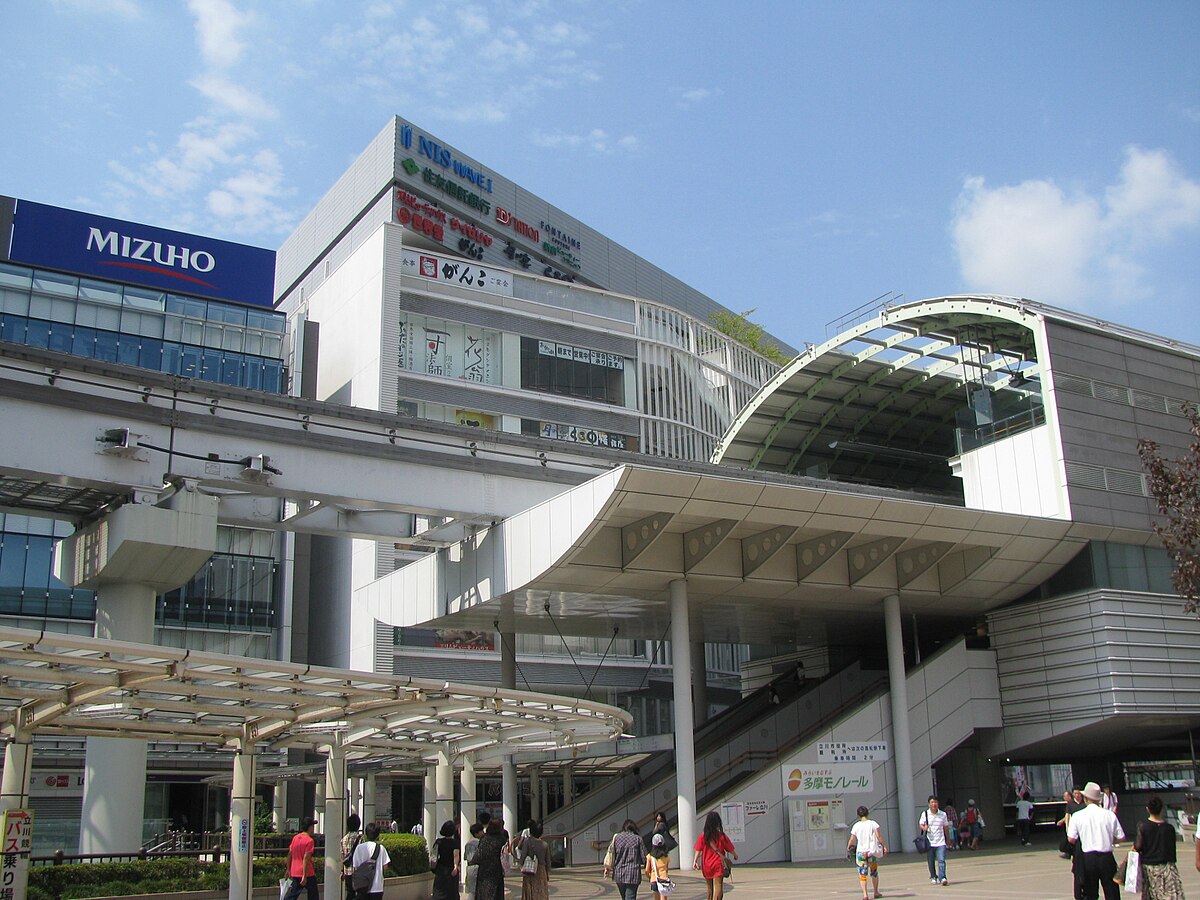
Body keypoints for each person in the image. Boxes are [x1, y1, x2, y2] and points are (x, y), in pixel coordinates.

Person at [1067, 781, 1125, 900]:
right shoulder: (1109, 815)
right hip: (1106, 857)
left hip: (1088, 858)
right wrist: (1109, 839)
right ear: (1099, 799)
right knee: (1112, 892)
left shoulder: (1077, 815)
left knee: (1090, 893)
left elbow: (1071, 839)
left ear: (1085, 798)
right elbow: (1121, 837)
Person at [1135, 796, 1185, 899]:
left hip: (1150, 869)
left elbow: (1138, 846)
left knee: (1152, 895)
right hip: (1168, 868)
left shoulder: (1143, 827)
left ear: (1148, 809)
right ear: (1162, 809)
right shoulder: (1169, 828)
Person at [693, 810, 737, 900]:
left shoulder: (703, 837)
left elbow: (698, 850)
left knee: (709, 888)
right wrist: (735, 855)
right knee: (718, 885)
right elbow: (730, 849)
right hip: (718, 863)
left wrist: (695, 861)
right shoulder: (721, 836)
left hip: (706, 864)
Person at [846, 805, 886, 900]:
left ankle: (865, 894)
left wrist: (848, 847)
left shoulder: (856, 826)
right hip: (872, 852)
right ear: (867, 813)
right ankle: (876, 892)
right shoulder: (873, 824)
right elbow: (878, 836)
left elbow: (852, 839)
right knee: (874, 872)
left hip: (861, 853)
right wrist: (884, 846)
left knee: (862, 874)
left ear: (858, 815)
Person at [350, 821, 394, 900]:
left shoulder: (359, 848)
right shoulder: (381, 848)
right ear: (378, 835)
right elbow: (385, 867)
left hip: (362, 886)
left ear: (366, 834)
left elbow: (355, 866)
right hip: (377, 887)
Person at [605, 819, 644, 900]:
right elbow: (643, 857)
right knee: (630, 897)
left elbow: (611, 853)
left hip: (619, 873)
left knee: (624, 897)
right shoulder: (637, 839)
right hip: (633, 874)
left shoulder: (617, 838)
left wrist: (607, 868)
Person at [283, 816, 318, 900]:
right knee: (313, 895)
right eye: (312, 826)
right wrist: (304, 875)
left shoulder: (295, 838)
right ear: (310, 827)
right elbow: (306, 858)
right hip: (307, 873)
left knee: (293, 894)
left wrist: (288, 869)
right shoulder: (309, 840)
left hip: (295, 871)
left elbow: (290, 854)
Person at [473, 818, 508, 900]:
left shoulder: (484, 838)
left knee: (484, 892)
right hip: (496, 868)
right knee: (496, 892)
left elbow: (479, 855)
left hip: (484, 869)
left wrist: (472, 862)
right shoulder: (502, 839)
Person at [920, 795, 951, 886]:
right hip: (930, 842)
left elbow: (946, 827)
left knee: (941, 860)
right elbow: (921, 824)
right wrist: (925, 828)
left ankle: (943, 877)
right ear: (929, 804)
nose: (934, 804)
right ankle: (933, 876)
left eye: (935, 802)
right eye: (932, 802)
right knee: (931, 861)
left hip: (941, 841)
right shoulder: (925, 814)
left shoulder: (943, 814)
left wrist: (948, 839)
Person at [518, 819, 551, 900]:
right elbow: (548, 861)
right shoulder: (545, 844)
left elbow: (523, 855)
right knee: (541, 889)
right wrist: (547, 872)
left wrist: (521, 865)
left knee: (530, 888)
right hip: (541, 869)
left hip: (530, 869)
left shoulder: (527, 842)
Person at [431, 819, 461, 900]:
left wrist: (433, 867)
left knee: (439, 890)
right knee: (452, 891)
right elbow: (456, 855)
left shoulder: (438, 842)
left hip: (440, 869)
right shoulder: (455, 842)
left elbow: (434, 855)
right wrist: (455, 867)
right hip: (451, 869)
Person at [341, 813, 363, 900]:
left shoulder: (344, 839)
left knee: (350, 893)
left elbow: (342, 856)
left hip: (347, 871)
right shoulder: (360, 838)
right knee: (360, 893)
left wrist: (342, 871)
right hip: (357, 871)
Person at [645, 832, 673, 900]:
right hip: (664, 879)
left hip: (654, 879)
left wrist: (650, 877)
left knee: (656, 898)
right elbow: (666, 870)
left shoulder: (650, 856)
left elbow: (646, 871)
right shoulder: (666, 857)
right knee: (664, 896)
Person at [464, 822, 483, 897]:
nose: (483, 832)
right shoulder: (476, 843)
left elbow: (466, 857)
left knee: (473, 892)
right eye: (481, 831)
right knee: (474, 892)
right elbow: (473, 858)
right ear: (476, 833)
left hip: (471, 868)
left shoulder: (469, 843)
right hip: (476, 868)